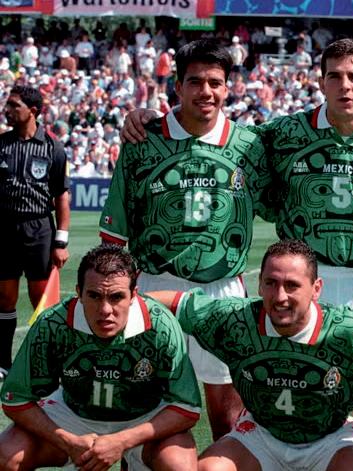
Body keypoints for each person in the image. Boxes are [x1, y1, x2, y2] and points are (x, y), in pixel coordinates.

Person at [120, 39, 353, 463]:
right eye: (334, 76)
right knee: (283, 391)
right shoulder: (280, 134)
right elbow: (213, 132)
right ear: (321, 82)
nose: (345, 85)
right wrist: (147, 117)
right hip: (300, 282)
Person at [99, 39, 269, 441]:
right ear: (177, 86)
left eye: (215, 82)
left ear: (228, 87)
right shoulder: (142, 141)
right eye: (195, 82)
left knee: (228, 419)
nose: (205, 92)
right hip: (156, 287)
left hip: (222, 291)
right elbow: (113, 237)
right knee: (142, 415)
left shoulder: (250, 145)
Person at [146, 239, 353, 471]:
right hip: (261, 434)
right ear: (259, 284)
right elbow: (174, 302)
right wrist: (126, 306)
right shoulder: (236, 321)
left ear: (316, 288)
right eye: (271, 283)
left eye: (292, 285)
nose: (280, 296)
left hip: (331, 438)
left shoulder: (349, 330)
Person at [0, 244, 201, 471]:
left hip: (145, 417)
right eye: (94, 296)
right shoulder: (52, 323)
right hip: (73, 414)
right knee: (6, 455)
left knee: (179, 466)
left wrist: (121, 441)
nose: (105, 310)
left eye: (116, 297)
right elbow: (15, 399)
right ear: (78, 293)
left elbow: (187, 408)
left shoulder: (161, 325)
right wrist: (68, 441)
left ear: (133, 295)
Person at [0, 85, 70, 381]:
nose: (7, 110)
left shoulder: (53, 147)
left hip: (39, 229)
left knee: (41, 301)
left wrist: (61, 240)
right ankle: (3, 363)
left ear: (33, 111)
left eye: (14, 105)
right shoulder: (1, 144)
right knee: (4, 298)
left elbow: (61, 195)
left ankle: (44, 365)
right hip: (4, 229)